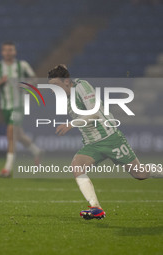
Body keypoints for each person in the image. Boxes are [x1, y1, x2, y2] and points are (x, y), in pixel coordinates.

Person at [48, 64, 163, 220]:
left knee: (139, 173)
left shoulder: (81, 86)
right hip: (92, 144)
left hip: (109, 138)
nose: (54, 91)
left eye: (56, 86)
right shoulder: (67, 98)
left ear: (66, 81)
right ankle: (96, 207)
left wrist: (71, 124)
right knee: (77, 166)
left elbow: (94, 113)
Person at [0, 41, 41, 177]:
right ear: (2, 52)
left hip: (19, 105)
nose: (8, 52)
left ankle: (8, 168)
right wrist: (0, 82)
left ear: (15, 52)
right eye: (5, 50)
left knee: (11, 132)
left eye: (10, 50)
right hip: (5, 107)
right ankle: (36, 151)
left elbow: (35, 80)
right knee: (19, 135)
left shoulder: (22, 65)